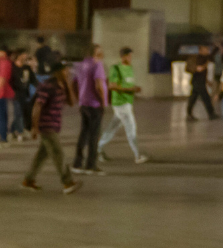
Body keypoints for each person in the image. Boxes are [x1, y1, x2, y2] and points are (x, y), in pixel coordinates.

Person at [22, 61, 79, 193]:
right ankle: (68, 182)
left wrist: (69, 84)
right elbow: (38, 105)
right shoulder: (48, 86)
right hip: (46, 126)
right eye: (65, 71)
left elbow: (71, 102)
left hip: (55, 125)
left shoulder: (62, 86)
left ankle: (28, 180)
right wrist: (34, 127)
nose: (68, 72)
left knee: (42, 155)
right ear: (58, 72)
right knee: (58, 153)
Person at [98, 47, 148, 164]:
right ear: (122, 56)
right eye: (128, 56)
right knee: (131, 128)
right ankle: (137, 155)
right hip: (120, 104)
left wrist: (134, 90)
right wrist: (129, 89)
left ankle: (97, 149)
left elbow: (128, 84)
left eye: (131, 56)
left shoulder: (130, 68)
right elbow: (112, 86)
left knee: (112, 129)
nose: (130, 58)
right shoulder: (116, 68)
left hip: (127, 103)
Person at [71, 45, 108, 175]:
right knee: (94, 135)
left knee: (83, 134)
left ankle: (77, 163)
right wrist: (103, 102)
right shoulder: (97, 65)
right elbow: (99, 85)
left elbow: (74, 84)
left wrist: (78, 98)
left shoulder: (79, 65)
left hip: (84, 103)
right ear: (96, 53)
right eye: (100, 51)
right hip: (95, 104)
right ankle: (91, 165)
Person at [11, 51, 37, 141]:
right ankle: (20, 132)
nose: (26, 57)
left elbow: (33, 80)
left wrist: (42, 88)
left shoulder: (27, 68)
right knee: (18, 114)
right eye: (24, 55)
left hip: (25, 94)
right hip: (16, 94)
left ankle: (12, 130)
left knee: (26, 113)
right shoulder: (13, 68)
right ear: (19, 56)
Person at [186, 45, 217, 121]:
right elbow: (193, 68)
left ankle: (189, 114)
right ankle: (211, 114)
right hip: (198, 82)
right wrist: (200, 67)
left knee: (193, 98)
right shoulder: (196, 59)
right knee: (206, 98)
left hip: (200, 82)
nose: (207, 51)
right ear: (200, 50)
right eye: (205, 49)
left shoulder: (205, 58)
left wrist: (207, 81)